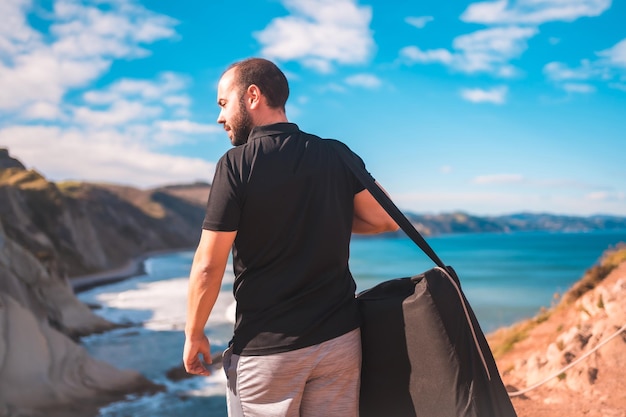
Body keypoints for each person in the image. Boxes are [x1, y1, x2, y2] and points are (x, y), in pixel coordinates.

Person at [183, 57, 398, 417]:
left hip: (268, 354)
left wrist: (194, 333)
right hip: (341, 342)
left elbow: (208, 265)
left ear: (252, 96)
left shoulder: (236, 164)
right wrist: (319, 217)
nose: (219, 118)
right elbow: (385, 219)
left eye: (223, 104)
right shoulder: (335, 153)